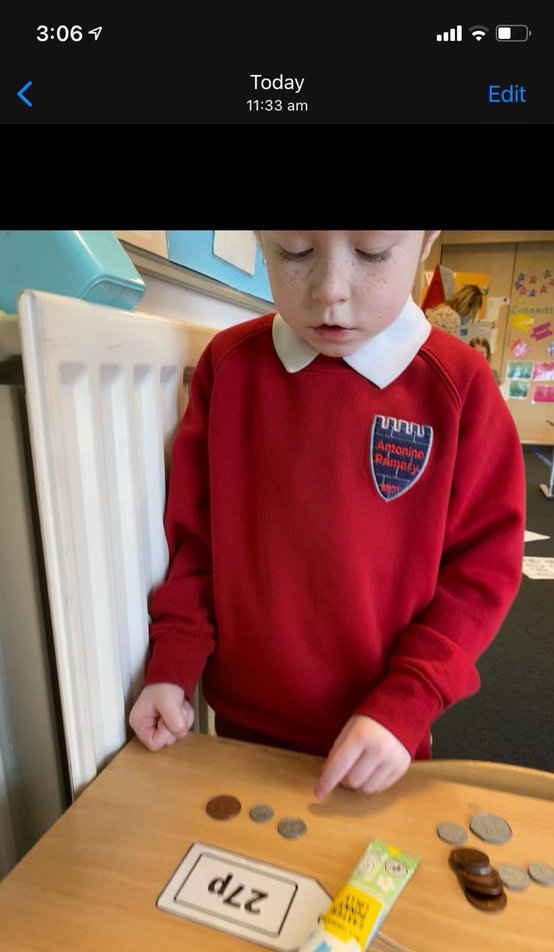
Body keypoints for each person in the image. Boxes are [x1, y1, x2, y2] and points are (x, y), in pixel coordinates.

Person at [129, 231, 525, 802]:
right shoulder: (229, 366)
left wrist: (410, 699)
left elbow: (482, 572)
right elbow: (196, 537)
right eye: (293, 252)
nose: (329, 291)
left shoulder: (459, 386)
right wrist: (173, 665)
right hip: (239, 730)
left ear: (425, 241)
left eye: (371, 253)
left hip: (383, 735)